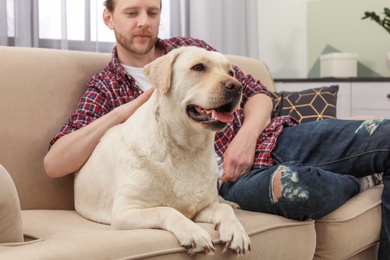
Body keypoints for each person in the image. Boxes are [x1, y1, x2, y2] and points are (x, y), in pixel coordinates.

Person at [43, 0, 390, 259]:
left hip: (272, 139)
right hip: (233, 181)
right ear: (109, 17)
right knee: (304, 189)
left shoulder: (194, 51)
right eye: (132, 12)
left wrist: (245, 137)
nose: (144, 22)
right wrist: (121, 112)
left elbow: (260, 96)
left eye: (153, 12)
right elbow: (55, 163)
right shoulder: (107, 86)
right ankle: (357, 178)